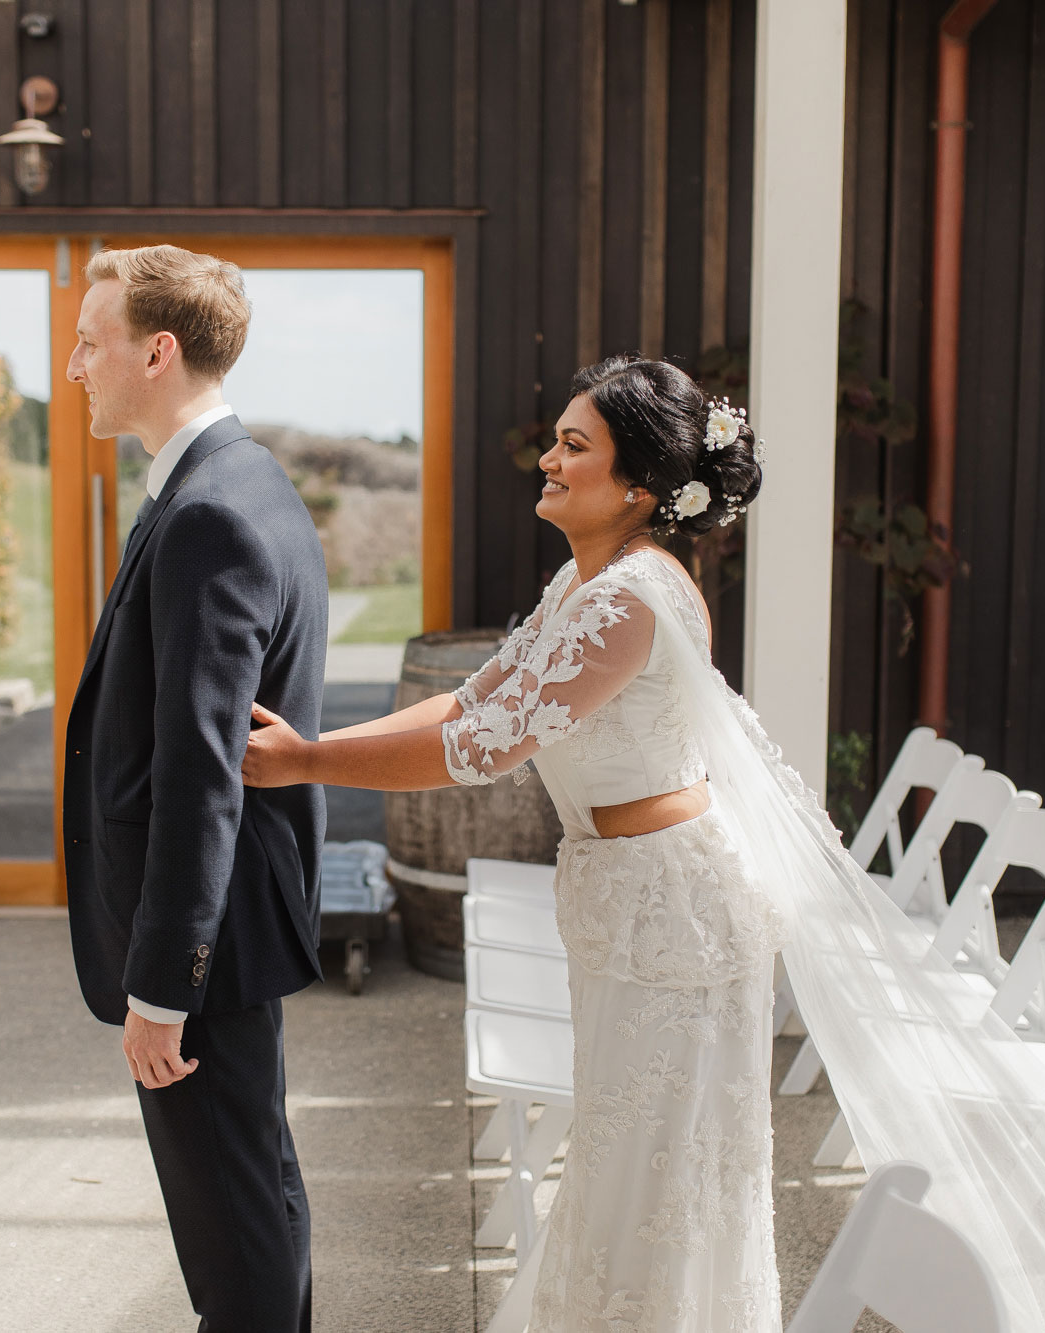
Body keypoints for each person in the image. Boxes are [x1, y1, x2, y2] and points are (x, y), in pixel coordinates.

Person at [244, 355, 781, 1329]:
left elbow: (474, 749)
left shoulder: (629, 600)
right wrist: (304, 744)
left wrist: (301, 762)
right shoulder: (585, 581)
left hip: (674, 925)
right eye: (556, 438)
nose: (548, 457)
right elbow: (469, 696)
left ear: (639, 487)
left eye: (573, 445)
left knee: (653, 1184)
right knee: (620, 1168)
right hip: (624, 900)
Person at [63, 244, 326, 1332]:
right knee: (253, 1195)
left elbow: (200, 772)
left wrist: (162, 983)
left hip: (200, 945)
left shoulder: (209, 513)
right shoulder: (229, 482)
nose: (74, 363)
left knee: (230, 1234)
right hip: (226, 927)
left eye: (90, 340)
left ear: (155, 351)